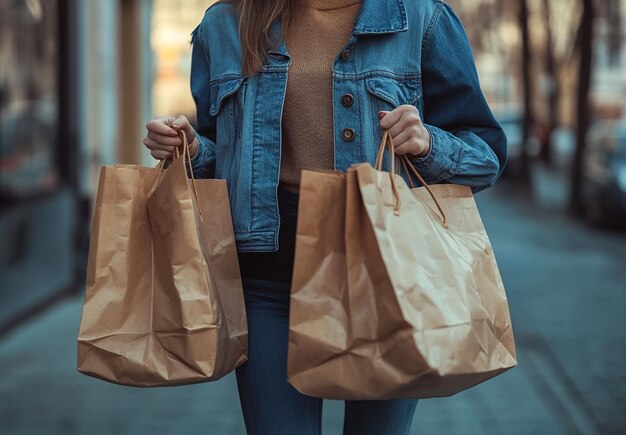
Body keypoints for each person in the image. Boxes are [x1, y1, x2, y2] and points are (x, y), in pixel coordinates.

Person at [143, 0, 507, 433]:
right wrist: (191, 149)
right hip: (267, 282)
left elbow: (486, 156)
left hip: (386, 277)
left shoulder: (420, 19)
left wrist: (428, 143)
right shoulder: (226, 23)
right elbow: (225, 155)